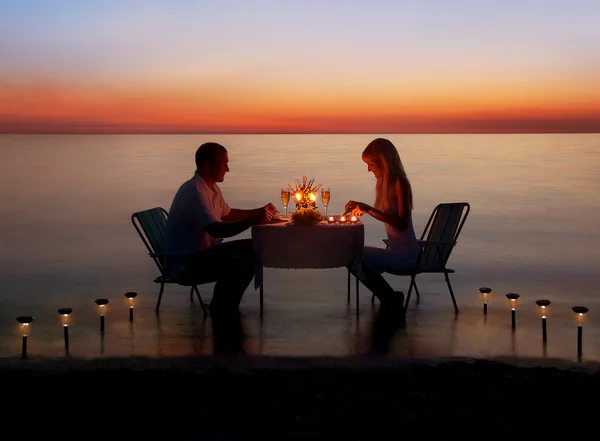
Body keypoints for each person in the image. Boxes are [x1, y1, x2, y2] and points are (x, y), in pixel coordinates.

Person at [163, 142, 278, 312]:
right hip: (185, 261)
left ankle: (226, 304)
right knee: (236, 265)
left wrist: (260, 211)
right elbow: (217, 229)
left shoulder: (211, 188)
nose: (227, 169)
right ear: (207, 165)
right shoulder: (194, 191)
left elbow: (227, 214)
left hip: (203, 252)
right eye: (224, 163)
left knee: (255, 247)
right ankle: (221, 309)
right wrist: (253, 220)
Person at [345, 138, 420, 313]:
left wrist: (369, 210)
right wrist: (364, 207)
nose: (369, 169)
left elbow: (402, 223)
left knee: (353, 256)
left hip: (407, 256)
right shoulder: (385, 183)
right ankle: (390, 298)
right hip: (394, 251)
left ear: (382, 161)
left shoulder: (399, 182)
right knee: (349, 254)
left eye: (371, 164)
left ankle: (390, 298)